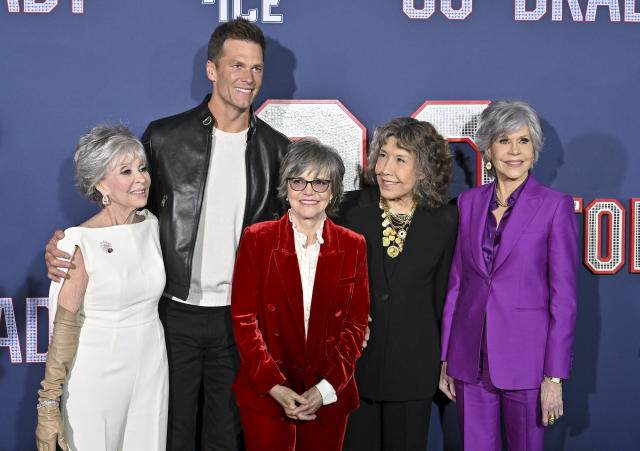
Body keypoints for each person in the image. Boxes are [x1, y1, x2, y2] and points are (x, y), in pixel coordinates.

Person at [44, 18, 291, 450]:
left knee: (225, 439)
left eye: (256, 68)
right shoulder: (165, 138)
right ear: (212, 70)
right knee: (163, 435)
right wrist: (67, 244)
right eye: (237, 66)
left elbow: (294, 235)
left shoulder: (278, 150)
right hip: (171, 316)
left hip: (240, 320)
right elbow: (125, 206)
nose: (247, 78)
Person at [439, 100, 578, 450]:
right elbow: (458, 284)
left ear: (535, 149)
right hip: (470, 361)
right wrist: (446, 357)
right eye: (504, 140)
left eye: (524, 140)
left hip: (529, 364)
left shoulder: (553, 206)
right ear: (488, 148)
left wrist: (554, 376)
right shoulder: (469, 203)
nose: (514, 151)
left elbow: (564, 299)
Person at [230, 138, 370, 451]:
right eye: (299, 181)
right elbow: (243, 319)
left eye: (320, 182)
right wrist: (273, 385)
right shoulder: (257, 239)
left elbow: (356, 324)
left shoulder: (353, 245)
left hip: (328, 396)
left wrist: (326, 388)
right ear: (286, 186)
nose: (309, 191)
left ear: (333, 190)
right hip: (266, 393)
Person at [35, 125, 168, 451]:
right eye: (126, 171)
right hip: (96, 375)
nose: (141, 178)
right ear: (99, 184)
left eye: (142, 168)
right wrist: (48, 403)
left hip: (151, 369)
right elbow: (64, 329)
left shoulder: (151, 225)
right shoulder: (77, 242)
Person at [339, 118, 458, 451]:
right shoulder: (347, 209)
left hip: (414, 370)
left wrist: (444, 362)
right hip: (354, 369)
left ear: (423, 170)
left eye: (400, 159)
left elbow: (443, 300)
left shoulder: (445, 221)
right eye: (382, 156)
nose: (385, 169)